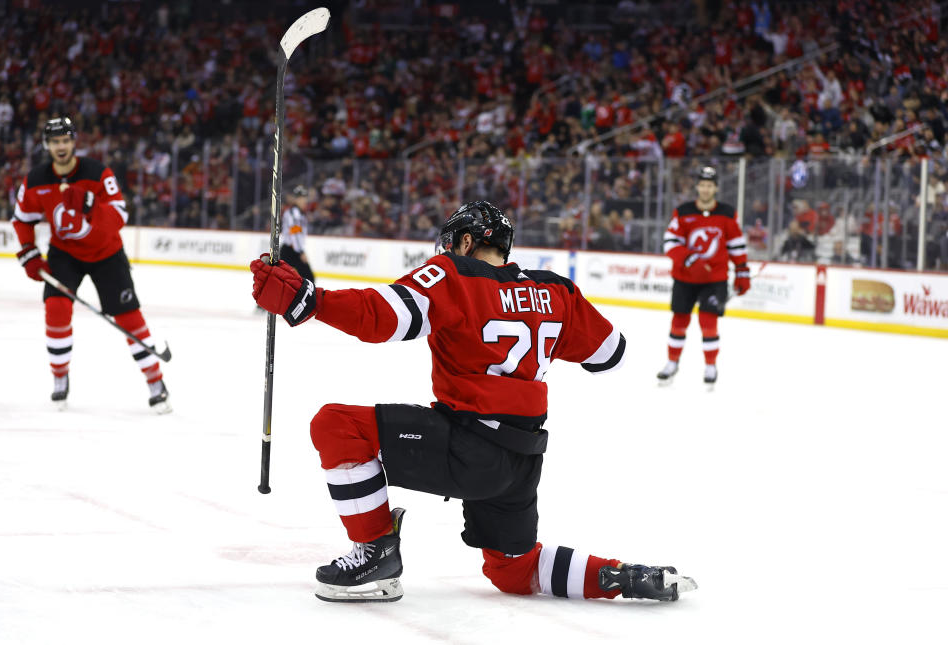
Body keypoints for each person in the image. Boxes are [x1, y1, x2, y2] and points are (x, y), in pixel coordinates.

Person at [250, 201, 696, 604]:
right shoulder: (557, 291)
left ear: (466, 241)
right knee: (514, 570)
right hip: (521, 463)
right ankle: (623, 576)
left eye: (449, 245)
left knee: (336, 426)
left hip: (468, 449)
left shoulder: (452, 275)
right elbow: (611, 354)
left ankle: (376, 554)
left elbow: (382, 315)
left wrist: (309, 301)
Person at [12, 116, 171, 413]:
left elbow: (120, 216)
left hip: (106, 254)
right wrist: (29, 253)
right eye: (55, 141)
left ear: (74, 142)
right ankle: (60, 378)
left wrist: (91, 206)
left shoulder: (97, 173)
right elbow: (23, 220)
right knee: (56, 309)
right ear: (47, 145)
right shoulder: (35, 180)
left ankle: (155, 380)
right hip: (64, 254)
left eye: (65, 140)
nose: (61, 147)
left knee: (129, 318)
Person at [658, 166, 750, 388]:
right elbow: (670, 243)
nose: (706, 189)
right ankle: (672, 362)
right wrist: (690, 261)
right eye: (702, 184)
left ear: (715, 187)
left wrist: (742, 271)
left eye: (710, 185)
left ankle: (710, 365)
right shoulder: (683, 212)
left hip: (714, 279)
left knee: (709, 323)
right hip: (685, 278)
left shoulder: (728, 214)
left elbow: (736, 244)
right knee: (679, 321)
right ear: (697, 187)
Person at [279, 185, 315, 283]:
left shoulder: (298, 213)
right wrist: (300, 252)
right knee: (309, 278)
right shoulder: (293, 214)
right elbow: (295, 234)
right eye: (301, 198)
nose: (304, 201)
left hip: (292, 249)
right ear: (296, 199)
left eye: (304, 198)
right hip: (291, 250)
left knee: (306, 279)